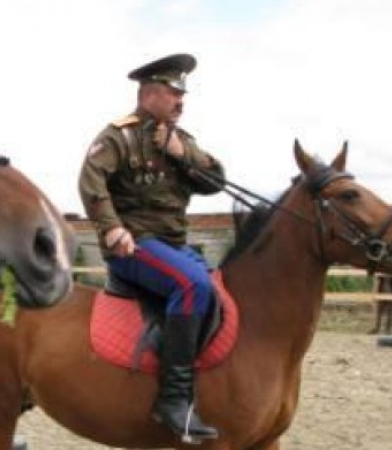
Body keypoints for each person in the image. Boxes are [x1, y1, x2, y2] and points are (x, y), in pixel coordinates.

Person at [78, 53, 224, 443]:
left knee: (221, 286)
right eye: (174, 92)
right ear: (150, 94)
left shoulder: (181, 140)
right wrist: (111, 230)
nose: (181, 101)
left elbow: (217, 182)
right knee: (194, 286)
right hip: (134, 245)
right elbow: (91, 184)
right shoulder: (118, 136)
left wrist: (181, 154)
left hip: (173, 245)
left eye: (182, 93)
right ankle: (173, 400)